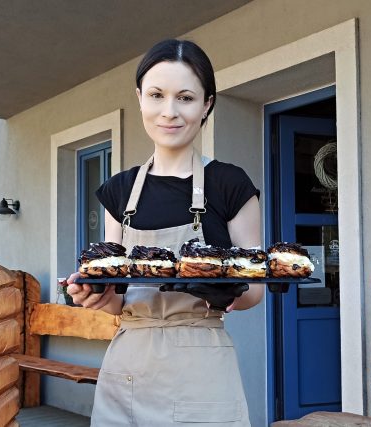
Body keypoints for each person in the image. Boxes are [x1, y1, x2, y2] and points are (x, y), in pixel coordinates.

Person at [66, 39, 263, 426]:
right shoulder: (119, 191)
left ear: (206, 104)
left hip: (199, 361)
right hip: (128, 363)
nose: (169, 112)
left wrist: (226, 290)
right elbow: (117, 300)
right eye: (156, 95)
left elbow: (255, 289)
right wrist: (93, 296)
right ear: (140, 98)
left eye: (186, 98)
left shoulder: (230, 184)